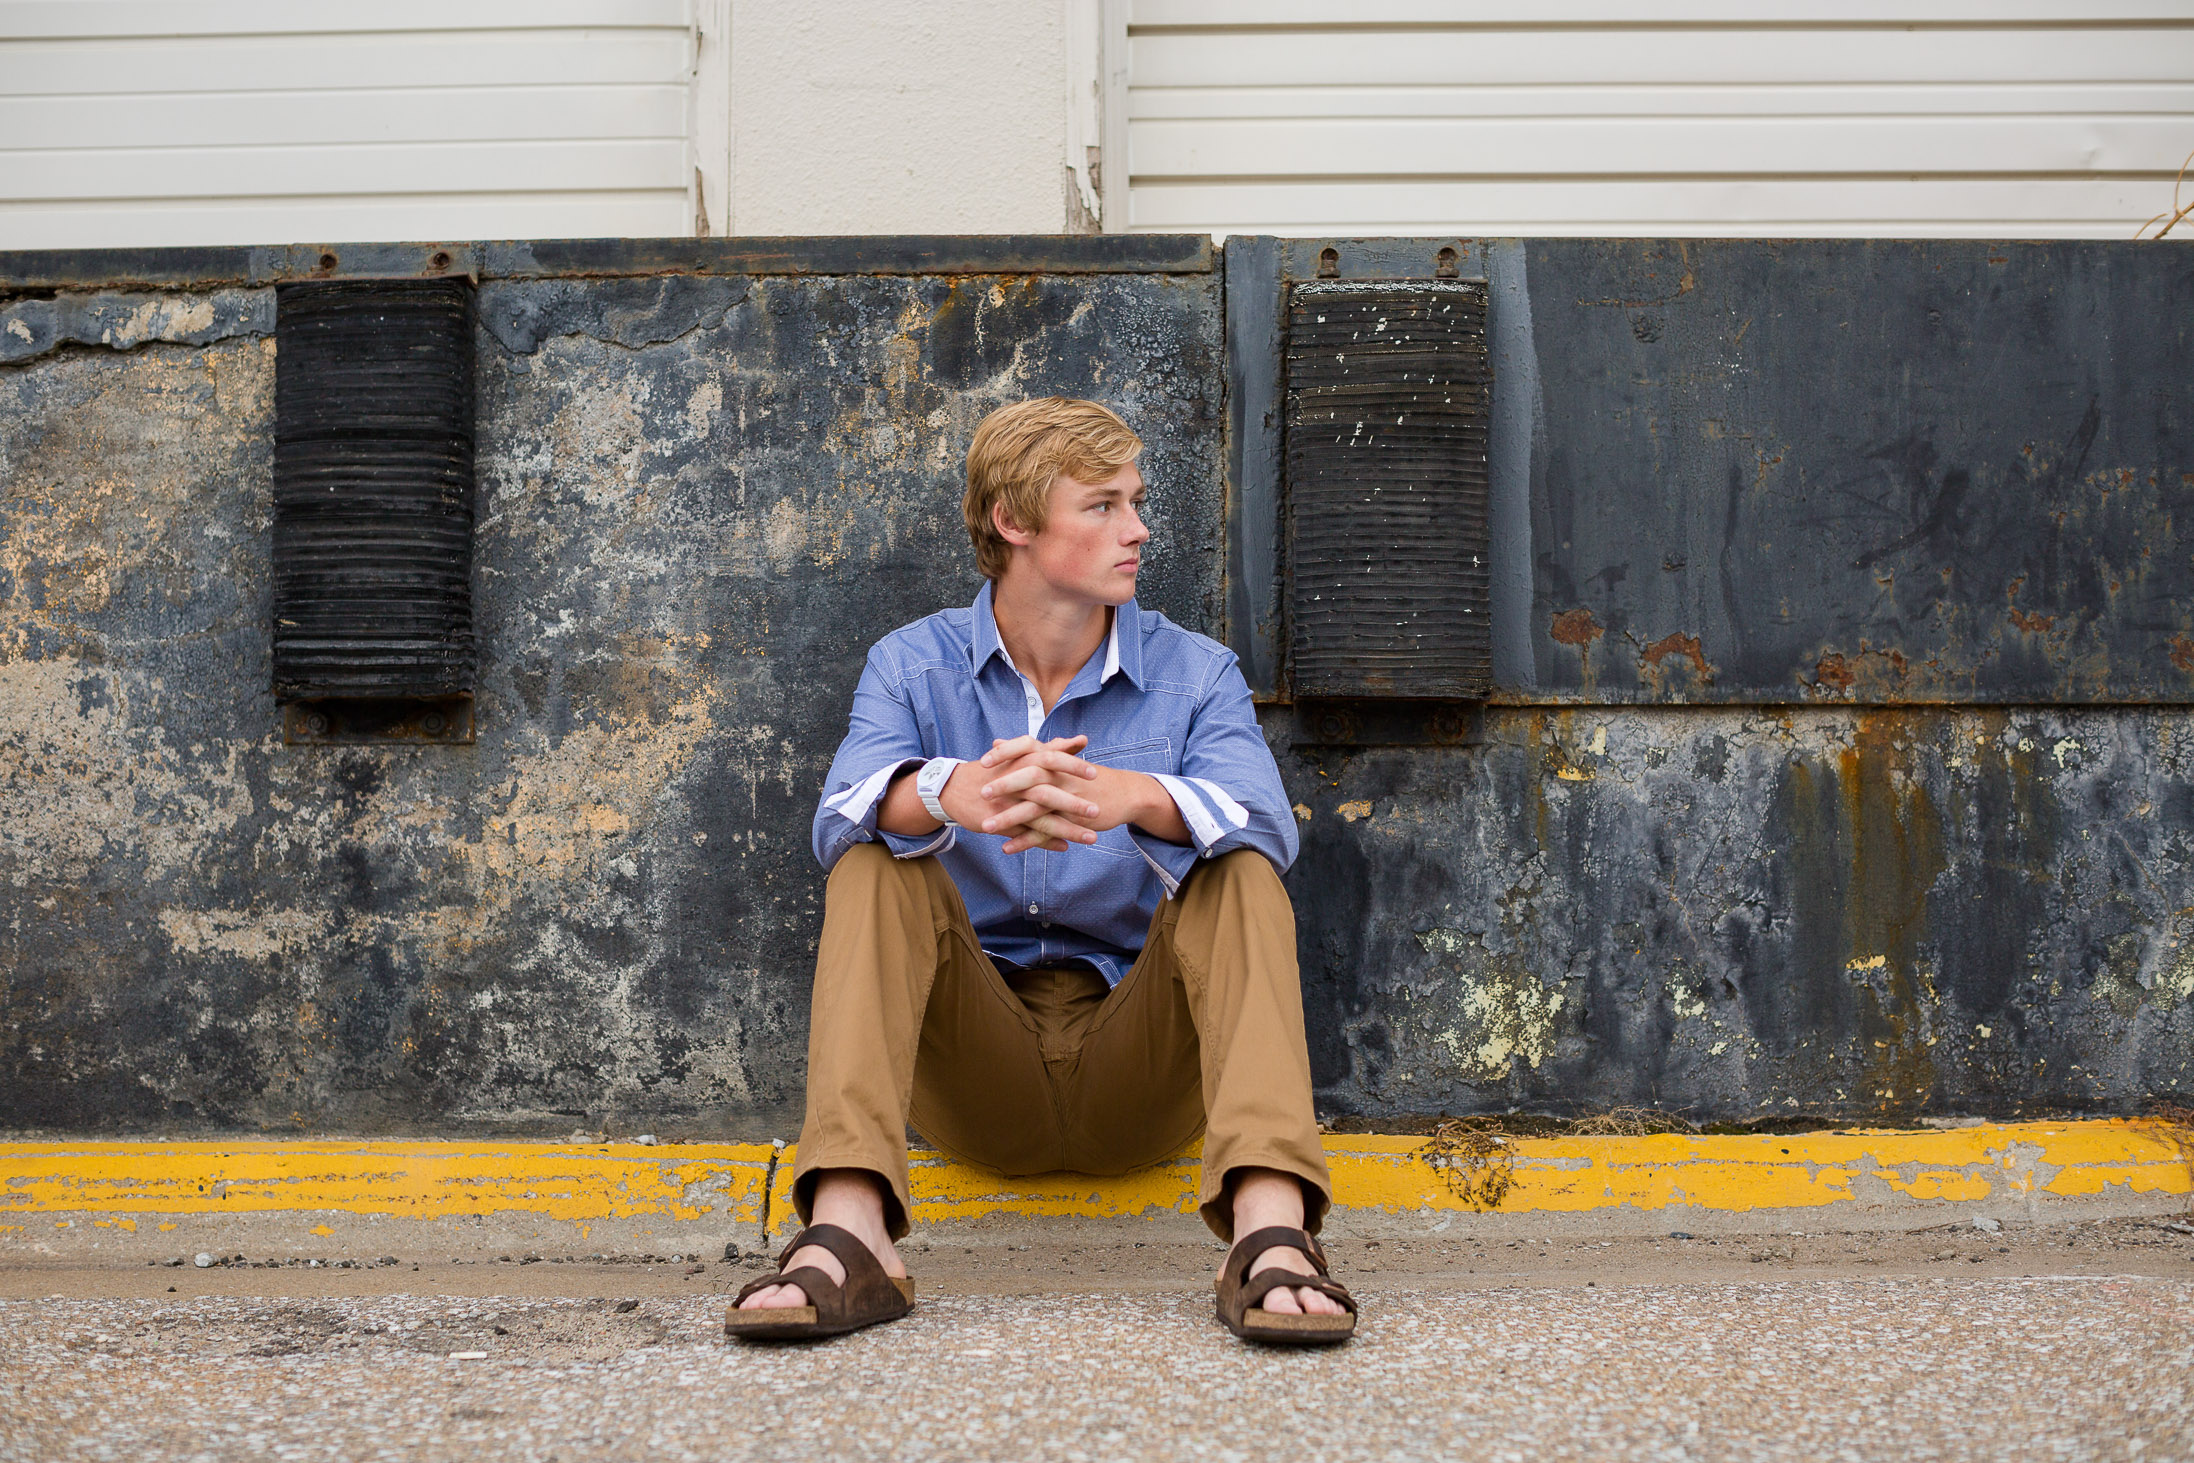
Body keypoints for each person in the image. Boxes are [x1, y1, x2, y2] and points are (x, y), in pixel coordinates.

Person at [724, 397, 1357, 1345]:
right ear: (1014, 523)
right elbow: (837, 816)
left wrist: (1134, 798)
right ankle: (851, 1236)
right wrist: (951, 793)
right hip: (978, 1072)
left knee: (1240, 869)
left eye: (1135, 502)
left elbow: (1267, 821)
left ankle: (1270, 1233)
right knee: (874, 859)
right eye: (1102, 505)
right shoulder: (912, 664)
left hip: (1141, 1071)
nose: (1137, 529)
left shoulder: (1199, 672)